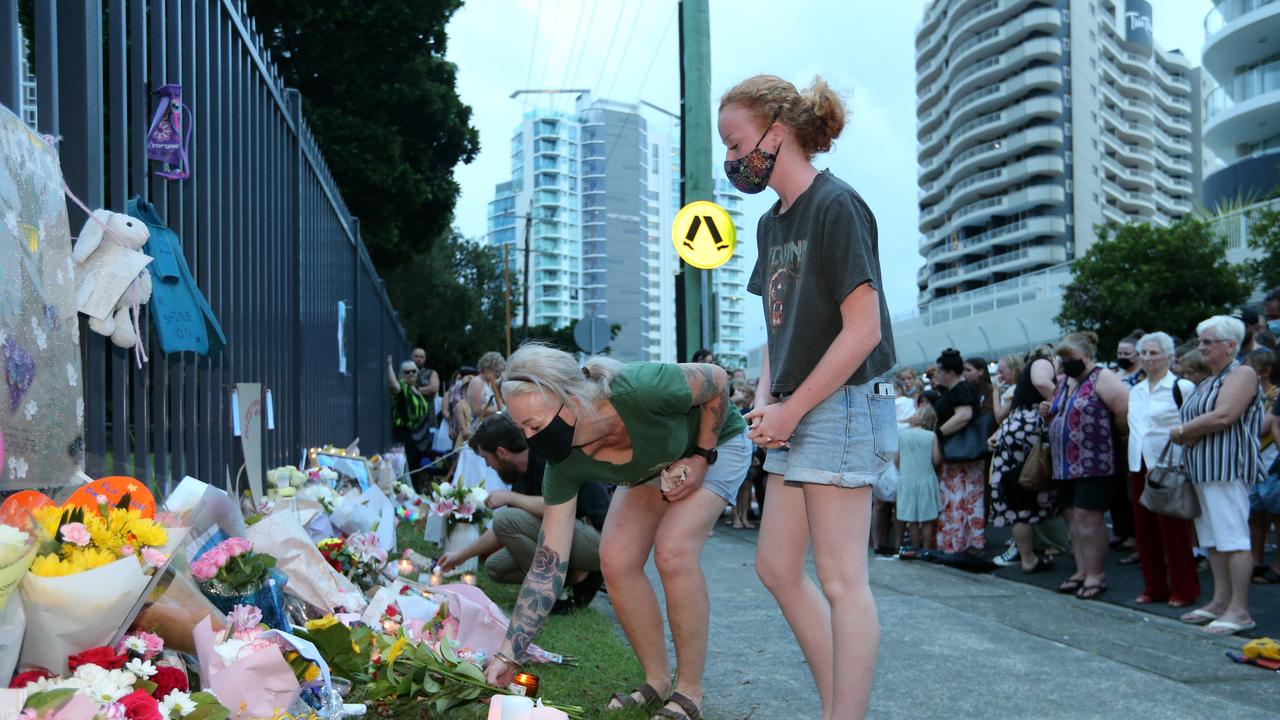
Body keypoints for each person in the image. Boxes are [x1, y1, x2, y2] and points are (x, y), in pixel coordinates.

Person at [722, 74, 897, 720]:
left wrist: (790, 409)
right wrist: (769, 402)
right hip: (798, 407)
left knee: (843, 580)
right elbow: (777, 330)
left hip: (841, 403)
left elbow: (865, 330)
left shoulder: (835, 206)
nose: (734, 161)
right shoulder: (773, 225)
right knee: (775, 565)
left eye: (737, 145)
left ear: (778, 129)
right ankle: (838, 701)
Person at [483, 344, 750, 720]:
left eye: (535, 426)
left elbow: (718, 382)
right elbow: (548, 564)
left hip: (716, 444)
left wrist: (702, 457)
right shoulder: (562, 464)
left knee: (673, 550)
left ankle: (689, 691)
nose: (531, 440)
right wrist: (508, 652)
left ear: (570, 398)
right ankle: (656, 681)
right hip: (651, 468)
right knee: (616, 559)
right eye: (523, 429)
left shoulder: (639, 388)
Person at [438, 415, 608, 610]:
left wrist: (510, 498)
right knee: (495, 567)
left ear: (501, 452)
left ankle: (551, 595)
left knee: (504, 518)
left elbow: (558, 507)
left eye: (486, 458)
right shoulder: (522, 474)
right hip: (568, 536)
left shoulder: (548, 457)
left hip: (598, 538)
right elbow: (499, 531)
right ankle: (571, 578)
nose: (488, 466)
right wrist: (460, 556)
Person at [1172, 315, 1265, 635]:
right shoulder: (1211, 379)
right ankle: (1220, 601)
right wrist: (1188, 432)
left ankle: (1239, 610)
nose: (1201, 348)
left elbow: (1225, 415)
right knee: (1213, 540)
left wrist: (1182, 430)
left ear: (1230, 345)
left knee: (1234, 539)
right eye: (1200, 341)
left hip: (1226, 468)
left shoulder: (1241, 373)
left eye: (1208, 342)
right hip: (1204, 470)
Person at [1041, 331, 1128, 600]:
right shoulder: (1065, 381)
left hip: (1094, 462)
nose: (1066, 363)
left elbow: (1123, 411)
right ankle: (1081, 570)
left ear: (1087, 356)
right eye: (1062, 359)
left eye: (1071, 358)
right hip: (1065, 464)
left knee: (1089, 518)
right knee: (1073, 518)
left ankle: (1095, 574)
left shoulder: (1103, 378)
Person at [1127, 332, 1200, 607]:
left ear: (1169, 356)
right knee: (1145, 532)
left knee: (1175, 532)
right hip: (1138, 464)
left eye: (1154, 352)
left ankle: (1184, 589)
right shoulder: (1135, 390)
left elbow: (1191, 426)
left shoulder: (1180, 387)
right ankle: (1154, 587)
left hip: (1169, 466)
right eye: (1144, 352)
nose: (1148, 358)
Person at [988, 345, 1058, 573]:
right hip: (1028, 431)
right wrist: (1065, 401)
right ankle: (1029, 557)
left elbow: (1003, 419)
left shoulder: (1019, 392)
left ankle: (1027, 555)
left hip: (1011, 434)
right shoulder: (1042, 363)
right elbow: (1041, 383)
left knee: (1018, 497)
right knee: (1024, 497)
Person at [933, 348, 986, 556]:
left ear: (950, 372)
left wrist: (938, 433)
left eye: (939, 371)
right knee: (961, 496)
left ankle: (959, 541)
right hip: (959, 454)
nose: (936, 375)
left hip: (961, 455)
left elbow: (964, 415)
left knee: (960, 496)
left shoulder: (960, 390)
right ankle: (960, 540)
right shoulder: (957, 389)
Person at [1243, 349, 1280, 584]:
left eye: (1250, 366)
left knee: (1277, 515)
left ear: (1265, 371)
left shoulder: (1274, 395)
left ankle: (1277, 566)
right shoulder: (1248, 394)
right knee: (1255, 514)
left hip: (1271, 460)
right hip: (1253, 460)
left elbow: (1265, 426)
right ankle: (1256, 561)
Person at [895, 406, 940, 551]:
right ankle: (925, 549)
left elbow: (896, 460)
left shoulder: (902, 435)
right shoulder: (931, 436)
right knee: (927, 519)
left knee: (911, 519)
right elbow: (936, 459)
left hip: (907, 479)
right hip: (926, 479)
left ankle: (914, 548)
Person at [386, 356, 431, 482]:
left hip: (418, 436)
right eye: (407, 372)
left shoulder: (416, 389)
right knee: (407, 468)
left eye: (413, 371)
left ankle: (415, 492)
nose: (411, 374)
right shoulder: (403, 386)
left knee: (415, 467)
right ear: (401, 374)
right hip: (405, 433)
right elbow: (393, 385)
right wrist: (389, 366)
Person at [730, 381, 758, 529]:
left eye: (743, 390)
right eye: (738, 389)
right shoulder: (729, 409)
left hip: (748, 451)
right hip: (734, 451)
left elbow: (751, 433)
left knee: (747, 487)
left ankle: (744, 517)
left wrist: (754, 454)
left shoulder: (748, 411)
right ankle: (735, 517)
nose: (741, 393)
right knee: (735, 486)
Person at [469, 351, 506, 423]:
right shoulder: (477, 382)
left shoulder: (488, 382)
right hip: (481, 425)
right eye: (496, 370)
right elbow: (476, 410)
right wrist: (502, 409)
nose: (498, 373)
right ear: (487, 368)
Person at [991, 353, 1025, 425]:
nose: (999, 375)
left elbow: (999, 418)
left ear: (1014, 371)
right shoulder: (1018, 387)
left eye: (1001, 371)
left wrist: (995, 390)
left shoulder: (1014, 389)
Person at [411, 347, 441, 426]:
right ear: (411, 357)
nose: (419, 359)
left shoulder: (431, 373)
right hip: (410, 416)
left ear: (425, 359)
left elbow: (434, 388)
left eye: (421, 357)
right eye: (416, 356)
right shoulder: (406, 372)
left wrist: (414, 390)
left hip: (428, 417)